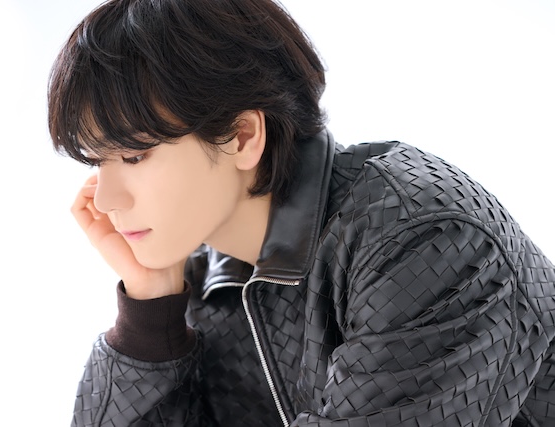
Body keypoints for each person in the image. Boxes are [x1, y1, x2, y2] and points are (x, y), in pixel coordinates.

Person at [47, 0, 555, 425]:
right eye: (97, 161)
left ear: (242, 135)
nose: (107, 200)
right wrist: (149, 313)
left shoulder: (423, 241)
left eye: (135, 156)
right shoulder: (205, 280)